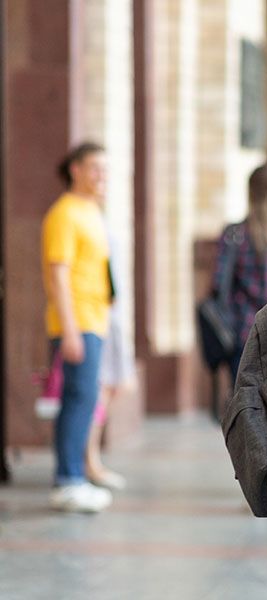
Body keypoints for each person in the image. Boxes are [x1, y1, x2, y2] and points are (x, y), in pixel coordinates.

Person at [41, 141, 114, 513]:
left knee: (85, 401)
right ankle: (68, 480)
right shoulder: (65, 214)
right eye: (95, 168)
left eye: (105, 168)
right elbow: (58, 273)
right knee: (77, 401)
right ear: (76, 170)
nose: (102, 175)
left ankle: (75, 477)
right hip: (77, 322)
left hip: (94, 321)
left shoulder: (90, 211)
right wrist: (69, 329)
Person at [210, 162, 267, 381]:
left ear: (251, 193)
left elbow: (218, 287)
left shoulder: (235, 235)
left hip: (244, 338)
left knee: (245, 408)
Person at [85, 218, 135, 491]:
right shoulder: (78, 219)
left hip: (110, 314)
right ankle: (89, 459)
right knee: (98, 390)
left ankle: (91, 457)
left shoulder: (99, 220)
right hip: (96, 316)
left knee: (112, 387)